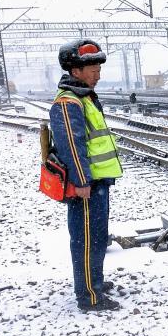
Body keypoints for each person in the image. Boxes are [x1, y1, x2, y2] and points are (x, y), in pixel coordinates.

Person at [49, 40, 124, 312]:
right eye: (91, 68)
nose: (97, 73)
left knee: (97, 237)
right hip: (86, 186)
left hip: (97, 183)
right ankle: (90, 297)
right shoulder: (69, 102)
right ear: (75, 70)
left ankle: (96, 283)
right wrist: (81, 182)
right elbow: (72, 144)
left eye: (98, 67)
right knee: (86, 242)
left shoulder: (85, 97)